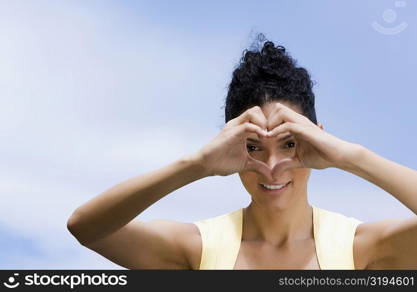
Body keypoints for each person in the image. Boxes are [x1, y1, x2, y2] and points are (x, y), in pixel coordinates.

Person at [67, 34, 417, 270]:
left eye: (289, 143)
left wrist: (349, 156)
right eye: (253, 148)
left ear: (317, 140)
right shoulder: (198, 248)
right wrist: (196, 164)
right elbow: (87, 228)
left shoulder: (360, 248)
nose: (272, 167)